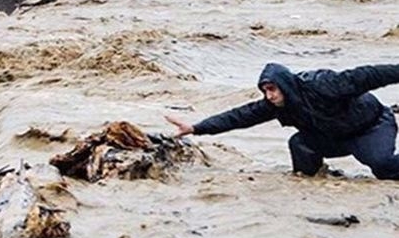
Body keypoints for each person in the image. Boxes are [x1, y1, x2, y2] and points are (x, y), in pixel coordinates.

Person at [165, 62, 399, 180]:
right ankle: (314, 180)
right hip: (334, 137)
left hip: (371, 127)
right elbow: (238, 116)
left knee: (381, 166)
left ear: (284, 85)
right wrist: (196, 128)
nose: (269, 96)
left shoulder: (323, 84)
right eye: (265, 91)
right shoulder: (276, 105)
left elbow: (369, 75)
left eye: (272, 89)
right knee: (299, 143)